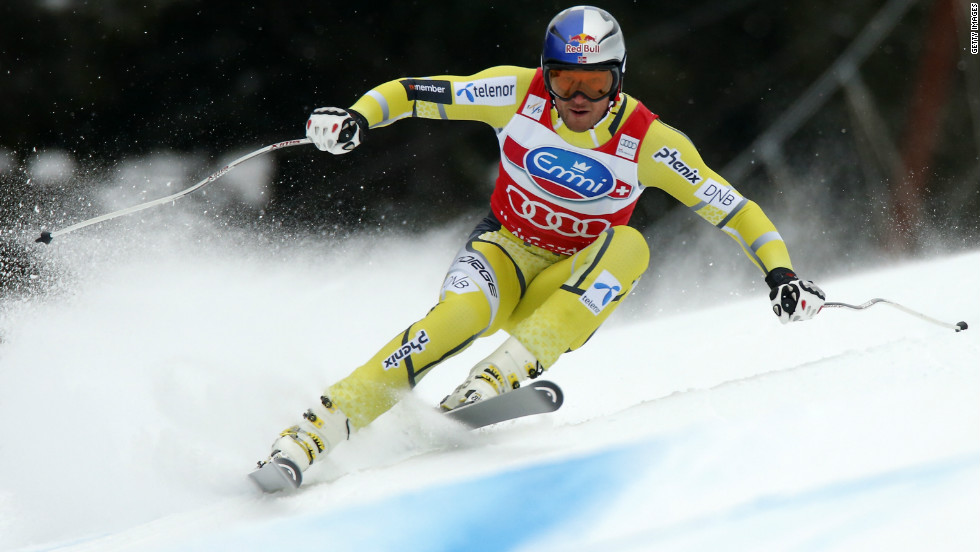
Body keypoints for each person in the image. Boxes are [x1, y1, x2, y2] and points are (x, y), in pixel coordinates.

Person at [258, 5, 825, 484]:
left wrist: (781, 273)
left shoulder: (649, 140)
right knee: (451, 323)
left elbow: (735, 209)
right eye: (564, 82)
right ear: (545, 74)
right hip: (502, 254)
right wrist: (357, 117)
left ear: (619, 79)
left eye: (597, 84)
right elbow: (415, 93)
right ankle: (310, 434)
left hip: (565, 282)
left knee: (629, 246)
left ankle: (493, 379)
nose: (579, 99)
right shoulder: (515, 92)